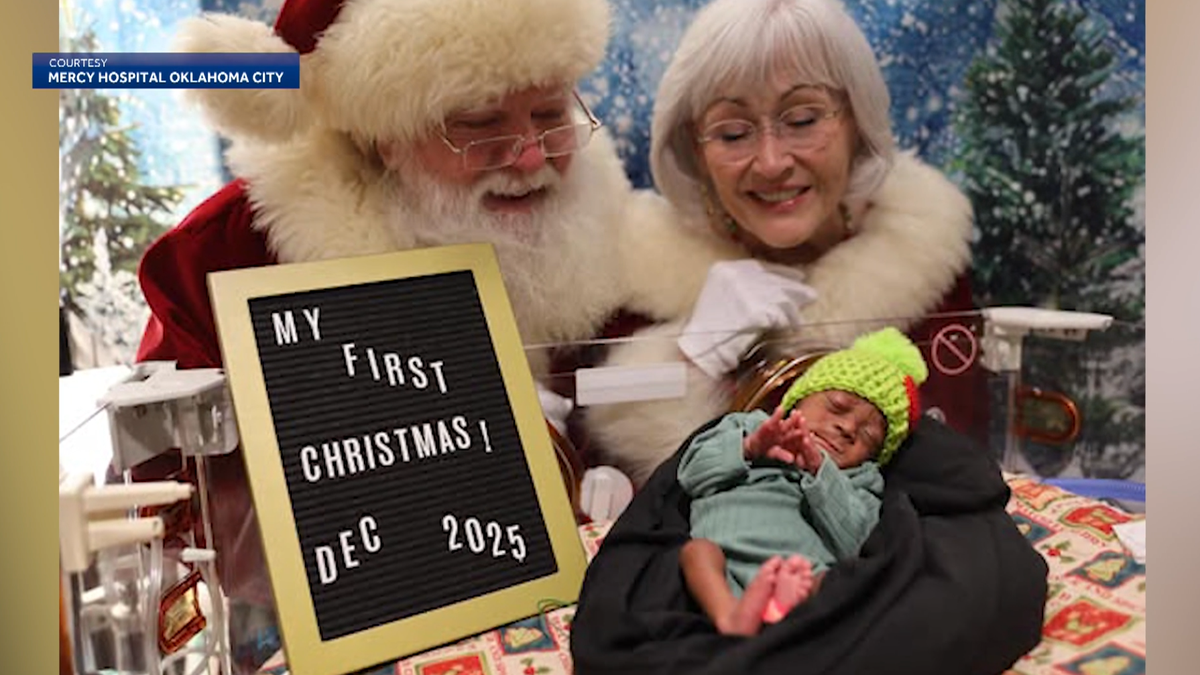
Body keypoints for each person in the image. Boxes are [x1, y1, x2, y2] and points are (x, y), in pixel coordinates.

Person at [131, 0, 635, 634]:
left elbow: (625, 382)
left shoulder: (594, 205)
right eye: (478, 122)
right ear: (382, 137)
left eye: (550, 113)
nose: (531, 158)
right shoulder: (233, 251)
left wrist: (607, 469)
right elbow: (166, 502)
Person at [586, 0, 982, 486]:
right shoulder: (638, 277)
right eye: (733, 133)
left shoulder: (924, 261)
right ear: (695, 148)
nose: (771, 162)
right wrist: (690, 358)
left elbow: (954, 475)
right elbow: (601, 499)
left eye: (802, 121)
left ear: (857, 123)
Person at [677, 328, 926, 636]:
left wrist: (823, 474)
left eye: (867, 436)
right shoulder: (749, 425)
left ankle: (787, 614)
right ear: (799, 398)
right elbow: (691, 474)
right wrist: (750, 448)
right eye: (836, 406)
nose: (847, 427)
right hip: (725, 558)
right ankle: (731, 617)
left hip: (804, 574)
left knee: (838, 582)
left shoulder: (861, 477)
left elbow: (857, 542)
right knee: (697, 552)